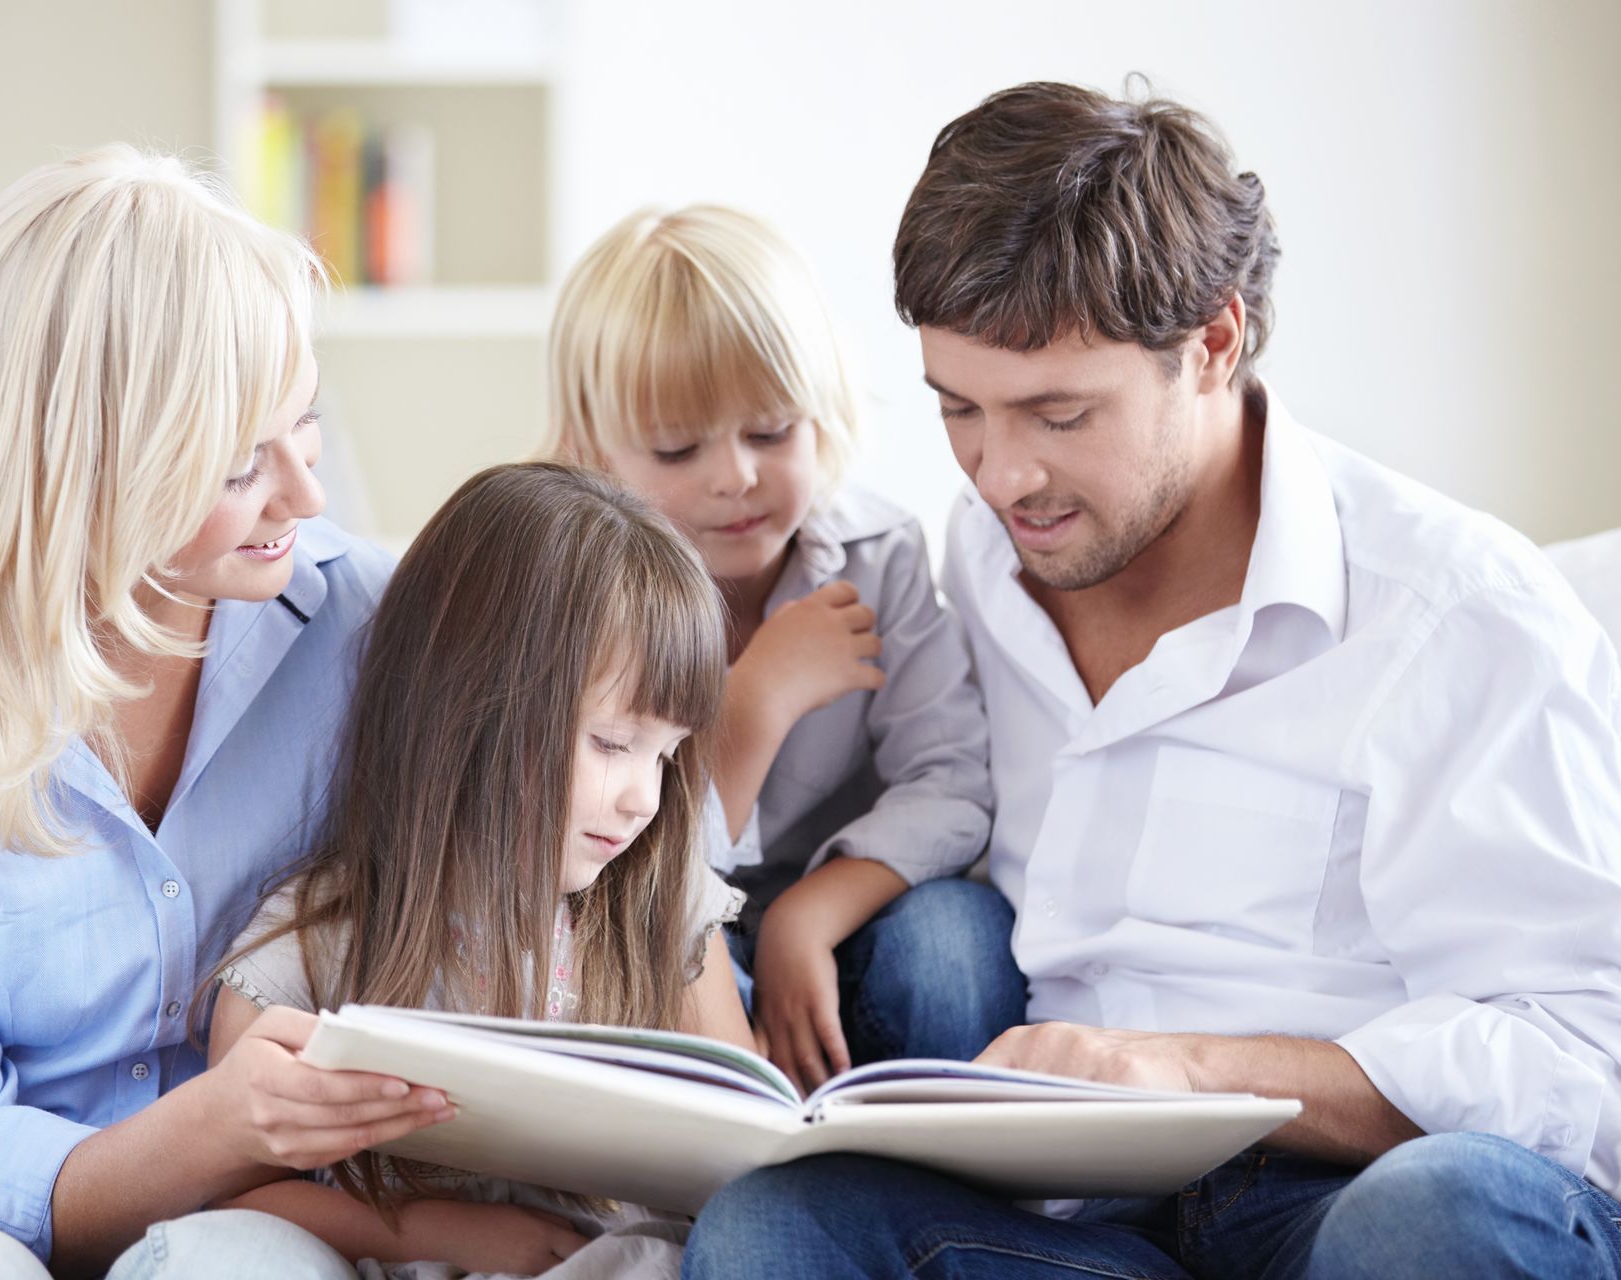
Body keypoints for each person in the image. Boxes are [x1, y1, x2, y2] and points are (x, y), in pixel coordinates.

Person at [683, 80, 1621, 1278]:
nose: (1003, 473)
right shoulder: (983, 558)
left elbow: (1576, 1063)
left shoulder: (1454, 613)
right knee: (772, 1227)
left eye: (1059, 413)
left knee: (1445, 1213)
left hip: (1338, 1198)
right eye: (958, 409)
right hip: (1076, 1220)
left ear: (1214, 342)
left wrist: (1187, 1066)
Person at [0, 146, 452, 1280]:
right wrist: (215, 1123)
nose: (308, 497)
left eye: (305, 423)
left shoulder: (357, 620)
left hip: (246, 1219)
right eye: (238, 464)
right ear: (84, 466)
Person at [203, 461, 751, 1278]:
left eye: (667, 756)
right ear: (471, 712)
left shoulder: (658, 905)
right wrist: (439, 1232)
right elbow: (223, 1194)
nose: (645, 799)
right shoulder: (321, 937)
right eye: (611, 743)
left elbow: (749, 1146)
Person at [546, 204, 1024, 1094]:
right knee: (651, 970)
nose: (736, 477)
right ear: (592, 451)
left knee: (955, 946)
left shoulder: (877, 556)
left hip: (847, 918)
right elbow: (606, 860)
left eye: (772, 432)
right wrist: (755, 702)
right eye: (678, 447)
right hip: (655, 912)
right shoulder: (574, 599)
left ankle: (942, 1188)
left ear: (823, 411)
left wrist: (806, 914)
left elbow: (953, 778)